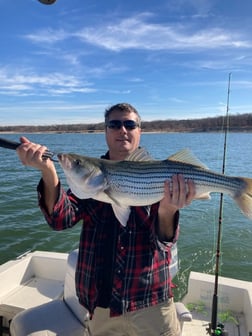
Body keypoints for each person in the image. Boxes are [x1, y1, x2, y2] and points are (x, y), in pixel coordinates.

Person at [16, 103, 196, 336]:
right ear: (106, 132)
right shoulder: (90, 180)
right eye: (115, 124)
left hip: (152, 302)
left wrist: (167, 210)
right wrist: (48, 173)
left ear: (139, 131)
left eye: (130, 124)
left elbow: (165, 243)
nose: (123, 129)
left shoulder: (160, 176)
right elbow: (60, 219)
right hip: (101, 305)